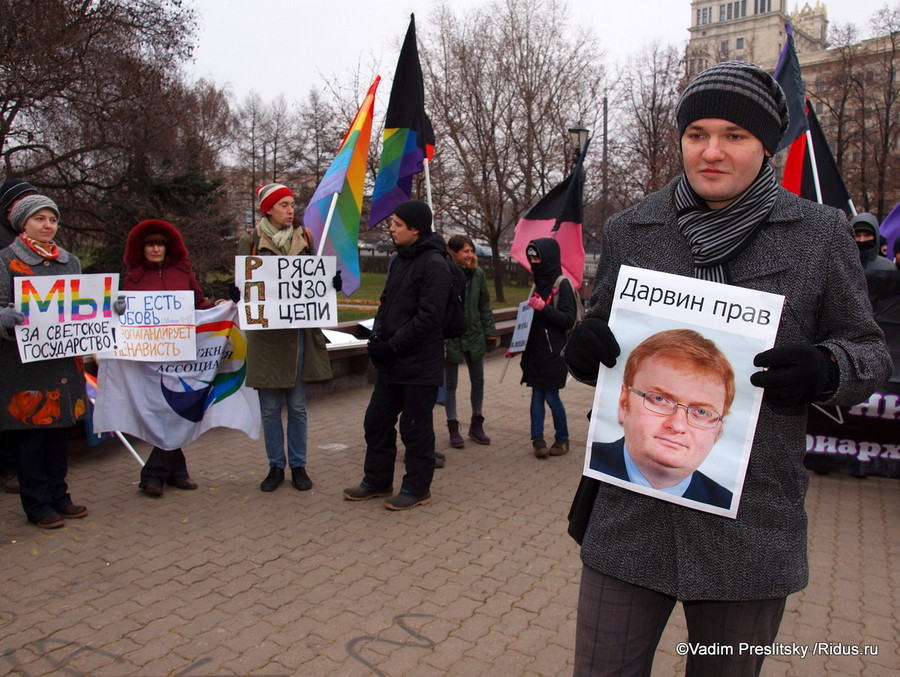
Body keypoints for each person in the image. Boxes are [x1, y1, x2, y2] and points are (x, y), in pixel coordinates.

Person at [563, 61, 891, 676]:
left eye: (735, 136)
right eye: (697, 134)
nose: (711, 152)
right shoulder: (633, 229)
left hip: (751, 528)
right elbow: (605, 341)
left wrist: (826, 368)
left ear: (766, 146)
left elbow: (869, 351)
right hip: (631, 517)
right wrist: (583, 352)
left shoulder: (820, 235)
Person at [343, 200, 451, 510]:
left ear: (415, 229)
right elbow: (386, 303)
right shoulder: (401, 259)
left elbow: (429, 318)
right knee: (376, 421)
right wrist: (377, 338)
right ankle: (377, 480)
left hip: (420, 364)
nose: (391, 228)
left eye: (397, 224)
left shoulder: (435, 263)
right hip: (392, 363)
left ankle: (417, 488)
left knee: (415, 428)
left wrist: (392, 345)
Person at [0, 195, 89, 529]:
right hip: (24, 367)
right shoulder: (6, 261)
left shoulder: (70, 262)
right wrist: (3, 318)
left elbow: (84, 305)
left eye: (52, 219)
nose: (47, 225)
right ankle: (37, 504)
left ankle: (60, 496)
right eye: (40, 219)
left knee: (58, 435)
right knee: (30, 439)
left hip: (63, 364)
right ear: (23, 223)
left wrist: (110, 309)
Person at [238, 183, 333, 493]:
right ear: (269, 209)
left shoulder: (305, 237)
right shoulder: (250, 240)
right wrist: (236, 290)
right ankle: (275, 466)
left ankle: (299, 466)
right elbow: (243, 282)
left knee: (297, 405)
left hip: (296, 334)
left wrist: (330, 282)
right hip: (266, 337)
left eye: (293, 204)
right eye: (284, 205)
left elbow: (314, 278)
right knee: (268, 408)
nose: (291, 210)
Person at [119, 219, 216, 497]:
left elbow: (199, 304)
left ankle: (157, 473)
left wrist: (220, 307)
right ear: (142, 248)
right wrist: (117, 310)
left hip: (180, 352)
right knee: (161, 410)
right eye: (150, 244)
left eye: (160, 244)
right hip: (149, 355)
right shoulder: (133, 277)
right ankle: (172, 470)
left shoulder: (182, 271)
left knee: (175, 409)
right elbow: (126, 313)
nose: (155, 249)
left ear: (168, 246)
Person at [589, 329, 735, 510]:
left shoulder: (726, 503)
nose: (677, 425)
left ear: (718, 431)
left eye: (702, 412)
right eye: (660, 399)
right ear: (623, 402)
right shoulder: (588, 463)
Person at [519, 238, 577, 459]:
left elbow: (568, 319)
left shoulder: (562, 283)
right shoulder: (537, 283)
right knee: (536, 396)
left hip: (554, 353)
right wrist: (517, 342)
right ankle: (538, 439)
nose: (534, 262)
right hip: (534, 352)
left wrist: (545, 308)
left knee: (552, 397)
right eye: (531, 258)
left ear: (549, 258)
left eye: (537, 257)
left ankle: (562, 438)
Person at [0, 178, 37, 493]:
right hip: (7, 340)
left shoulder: (53, 252)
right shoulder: (5, 248)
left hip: (35, 340)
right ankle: (9, 468)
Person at [443, 235, 496, 448]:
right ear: (454, 253)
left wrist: (490, 333)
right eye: (466, 251)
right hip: (452, 336)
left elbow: (484, 305)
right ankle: (453, 427)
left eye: (472, 251)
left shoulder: (478, 274)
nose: (470, 255)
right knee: (451, 384)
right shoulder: (445, 272)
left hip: (474, 334)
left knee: (479, 381)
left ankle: (476, 424)